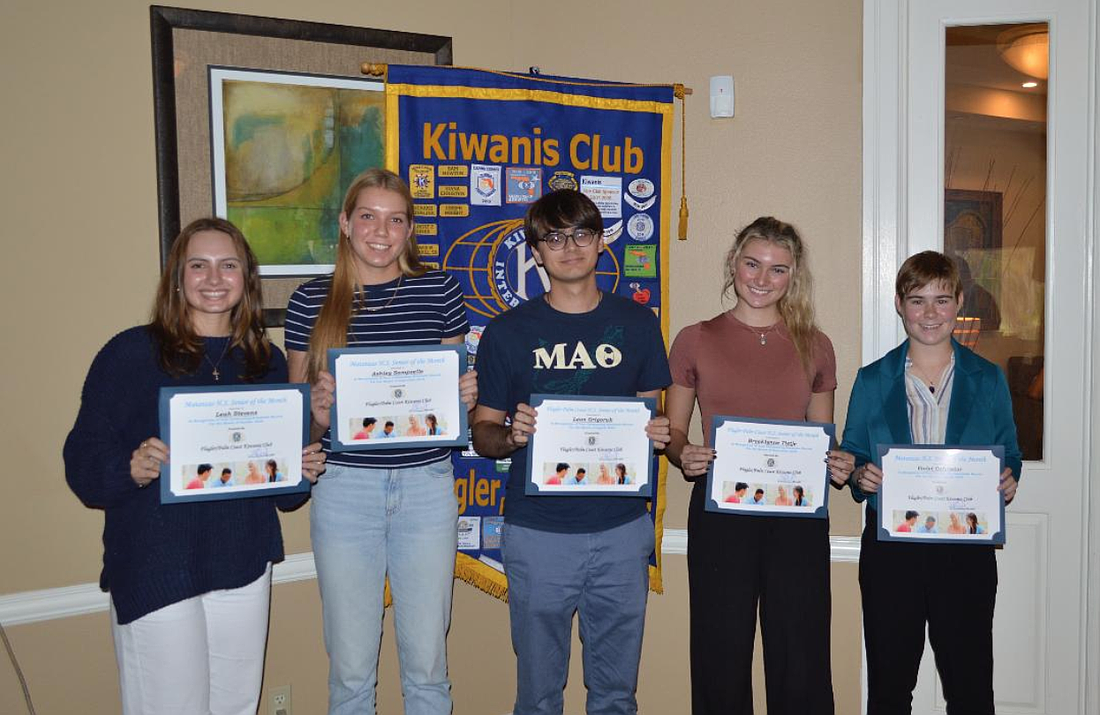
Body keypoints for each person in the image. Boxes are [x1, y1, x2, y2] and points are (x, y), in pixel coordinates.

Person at [63, 217, 326, 715]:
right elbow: (83, 463)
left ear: (246, 278)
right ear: (176, 278)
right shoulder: (130, 354)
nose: (213, 278)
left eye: (228, 266)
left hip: (243, 564)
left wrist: (302, 463)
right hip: (155, 565)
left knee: (237, 707)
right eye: (198, 265)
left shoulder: (264, 361)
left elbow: (285, 495)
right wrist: (132, 468)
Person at [471, 189, 671, 715]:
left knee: (615, 694)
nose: (569, 247)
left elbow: (651, 418)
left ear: (601, 243)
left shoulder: (638, 325)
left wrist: (656, 434)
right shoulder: (507, 332)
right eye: (553, 238)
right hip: (538, 532)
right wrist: (512, 436)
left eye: (581, 233)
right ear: (535, 252)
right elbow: (482, 432)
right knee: (538, 695)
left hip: (621, 528)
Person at [285, 168, 477, 715]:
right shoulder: (310, 300)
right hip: (344, 491)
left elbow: (450, 398)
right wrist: (317, 415)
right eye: (367, 216)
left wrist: (462, 393)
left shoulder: (440, 289)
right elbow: (300, 428)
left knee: (427, 670)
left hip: (426, 487)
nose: (380, 230)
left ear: (409, 229)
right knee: (350, 673)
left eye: (395, 219)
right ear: (346, 224)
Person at [666, 216, 854, 715]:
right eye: (753, 264)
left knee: (802, 655)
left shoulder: (816, 345)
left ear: (794, 276)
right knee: (719, 653)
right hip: (720, 513)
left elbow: (820, 436)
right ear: (734, 263)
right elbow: (675, 429)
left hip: (796, 518)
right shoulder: (695, 338)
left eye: (778, 270)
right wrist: (681, 452)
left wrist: (835, 462)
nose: (762, 279)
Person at [842, 251, 1021, 715]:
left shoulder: (988, 379)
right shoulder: (872, 379)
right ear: (900, 305)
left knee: (970, 687)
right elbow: (855, 452)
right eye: (917, 301)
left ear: (959, 302)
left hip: (965, 549)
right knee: (889, 687)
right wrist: (863, 475)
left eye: (941, 301)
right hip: (891, 550)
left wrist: (1007, 478)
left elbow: (1010, 452)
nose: (929, 314)